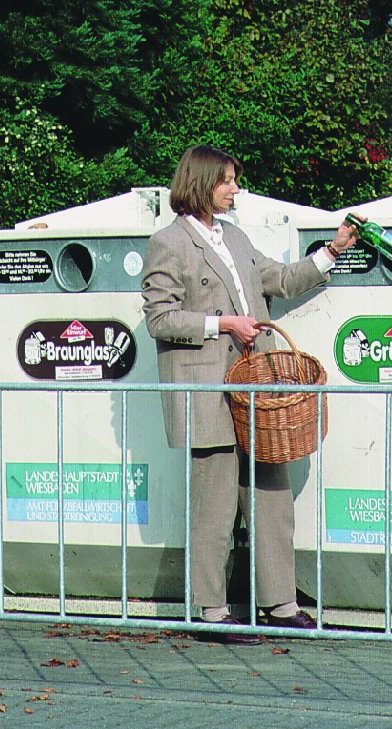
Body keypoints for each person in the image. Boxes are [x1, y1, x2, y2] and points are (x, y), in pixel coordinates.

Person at [141, 144, 360, 645]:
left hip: (256, 390)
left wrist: (333, 249)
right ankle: (210, 613)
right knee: (214, 509)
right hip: (207, 391)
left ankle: (280, 605)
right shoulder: (168, 244)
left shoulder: (235, 238)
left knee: (272, 500)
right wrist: (222, 324)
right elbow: (159, 318)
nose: (235, 189)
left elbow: (280, 279)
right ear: (200, 183)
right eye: (227, 182)